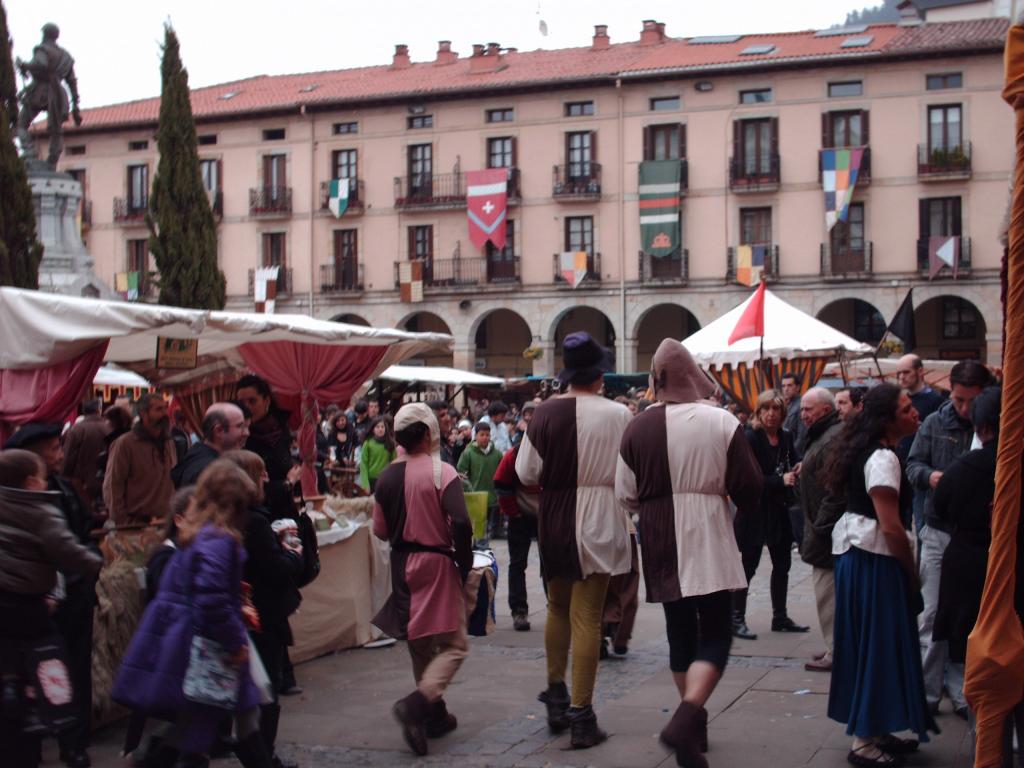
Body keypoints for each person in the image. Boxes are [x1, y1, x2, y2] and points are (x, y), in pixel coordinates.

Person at [616, 339, 763, 766]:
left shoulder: (637, 426)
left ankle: (691, 722)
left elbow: (625, 494)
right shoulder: (720, 422)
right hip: (709, 534)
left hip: (660, 536)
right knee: (716, 633)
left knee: (680, 633)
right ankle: (686, 719)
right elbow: (750, 489)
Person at [112, 460, 272, 768]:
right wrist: (235, 640)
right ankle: (147, 759)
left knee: (206, 717)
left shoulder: (196, 535)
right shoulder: (219, 540)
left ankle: (149, 758)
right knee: (215, 716)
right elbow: (211, 600)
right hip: (210, 643)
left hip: (191, 639)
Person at [516, 331, 633, 748]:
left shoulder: (544, 414)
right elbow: (629, 475)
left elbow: (526, 474)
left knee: (557, 608)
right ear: (599, 374)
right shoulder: (618, 415)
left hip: (557, 518)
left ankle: (556, 693)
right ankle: (582, 715)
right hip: (601, 516)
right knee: (588, 616)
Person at [825, 383, 937, 766]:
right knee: (877, 646)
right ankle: (864, 741)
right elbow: (890, 527)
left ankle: (872, 729)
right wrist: (910, 572)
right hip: (875, 559)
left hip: (859, 555)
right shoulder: (883, 458)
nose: (915, 413)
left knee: (869, 645)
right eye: (906, 409)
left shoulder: (869, 450)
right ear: (888, 418)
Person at [371, 403, 473, 757]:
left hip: (402, 563)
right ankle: (419, 704)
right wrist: (465, 561)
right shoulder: (441, 471)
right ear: (429, 433)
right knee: (454, 644)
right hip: (436, 561)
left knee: (419, 643)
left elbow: (380, 531)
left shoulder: (386, 477)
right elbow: (461, 521)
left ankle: (431, 713)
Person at [4, 423, 100, 768]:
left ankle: (66, 739)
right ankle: (61, 738)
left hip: (63, 597)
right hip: (42, 602)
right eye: (53, 449)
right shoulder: (41, 503)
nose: (60, 454)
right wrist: (91, 564)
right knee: (56, 671)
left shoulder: (61, 489)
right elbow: (73, 549)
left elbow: (82, 531)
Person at [907, 359, 993, 718]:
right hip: (939, 530)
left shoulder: (994, 426)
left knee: (967, 616)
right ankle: (927, 692)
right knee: (930, 614)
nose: (965, 408)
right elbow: (912, 465)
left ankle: (961, 691)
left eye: (971, 401)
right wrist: (931, 477)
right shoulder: (934, 422)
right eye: (958, 400)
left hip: (976, 537)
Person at [223, 450, 304, 768]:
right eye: (261, 474)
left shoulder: (234, 515)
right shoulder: (252, 520)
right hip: (260, 613)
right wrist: (293, 552)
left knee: (252, 691)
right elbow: (273, 568)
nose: (267, 479)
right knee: (264, 690)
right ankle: (261, 756)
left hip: (248, 613)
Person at [733, 389, 807, 640]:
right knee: (748, 565)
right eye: (766, 409)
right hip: (754, 510)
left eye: (776, 409)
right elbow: (746, 478)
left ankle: (780, 615)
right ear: (758, 412)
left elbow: (793, 460)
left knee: (782, 564)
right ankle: (736, 618)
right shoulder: (750, 437)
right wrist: (779, 480)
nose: (771, 414)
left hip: (779, 510)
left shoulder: (786, 436)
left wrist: (800, 465)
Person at [798, 387, 845, 673]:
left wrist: (820, 526)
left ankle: (836, 650)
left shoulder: (830, 438)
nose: (802, 415)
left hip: (825, 532)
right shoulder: (824, 435)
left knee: (828, 595)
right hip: (823, 527)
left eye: (808, 409)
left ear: (825, 411)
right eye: (802, 409)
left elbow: (835, 491)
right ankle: (834, 647)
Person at [102, 393, 177, 527]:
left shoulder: (168, 442)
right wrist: (123, 522)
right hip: (136, 524)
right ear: (143, 413)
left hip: (165, 522)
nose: (165, 413)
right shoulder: (125, 444)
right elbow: (113, 486)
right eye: (158, 410)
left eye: (165, 408)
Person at [237, 375, 302, 523]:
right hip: (258, 517)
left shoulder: (281, 428)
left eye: (252, 401)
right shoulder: (240, 439)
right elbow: (249, 488)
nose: (246, 407)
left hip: (286, 512)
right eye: (241, 402)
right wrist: (288, 483)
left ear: (266, 400)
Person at [15, 23, 81, 167]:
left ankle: (29, 152)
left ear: (44, 34)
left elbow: (41, 64)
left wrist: (24, 65)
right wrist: (76, 104)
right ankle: (52, 160)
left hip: (40, 90)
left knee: (20, 124)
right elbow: (72, 81)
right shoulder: (66, 56)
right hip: (58, 93)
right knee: (56, 130)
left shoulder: (42, 49)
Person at [895, 355, 947, 537]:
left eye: (906, 372)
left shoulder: (936, 401)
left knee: (922, 526)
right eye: (898, 373)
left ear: (920, 371)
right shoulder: (898, 400)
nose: (901, 377)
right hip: (900, 469)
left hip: (922, 472)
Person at [493, 441, 541, 631]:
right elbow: (501, 485)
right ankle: (519, 610)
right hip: (520, 515)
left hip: (544, 515)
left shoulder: (551, 450)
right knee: (517, 563)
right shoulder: (513, 456)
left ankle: (557, 607)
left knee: (552, 563)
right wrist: (514, 512)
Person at [172, 403, 250, 489]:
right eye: (240, 426)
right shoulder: (212, 471)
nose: (246, 433)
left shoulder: (196, 458)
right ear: (219, 431)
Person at [61, 398, 110, 514]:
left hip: (82, 482)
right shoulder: (109, 428)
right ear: (99, 409)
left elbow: (68, 456)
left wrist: (63, 477)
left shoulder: (76, 429)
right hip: (106, 478)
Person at [457, 422, 503, 542]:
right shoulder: (468, 453)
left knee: (493, 518)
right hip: (476, 495)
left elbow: (502, 472)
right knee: (478, 524)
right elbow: (461, 472)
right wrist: (468, 488)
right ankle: (478, 541)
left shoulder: (497, 454)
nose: (485, 437)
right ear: (475, 436)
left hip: (493, 495)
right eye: (482, 434)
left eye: (487, 435)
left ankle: (494, 533)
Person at [358, 416, 396, 492]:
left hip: (386, 479)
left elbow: (394, 463)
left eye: (382, 427)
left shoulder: (390, 444)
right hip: (371, 480)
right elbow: (363, 464)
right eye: (377, 427)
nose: (380, 429)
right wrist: (365, 484)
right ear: (373, 430)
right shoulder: (368, 444)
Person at [780, 373, 807, 450]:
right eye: (783, 386)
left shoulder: (802, 405)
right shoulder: (786, 405)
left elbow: (802, 437)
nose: (786, 389)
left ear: (798, 387)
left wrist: (790, 455)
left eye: (789, 385)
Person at [426, 400, 455, 466]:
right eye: (442, 415)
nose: (448, 418)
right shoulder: (432, 447)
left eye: (447, 413)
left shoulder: (442, 442)